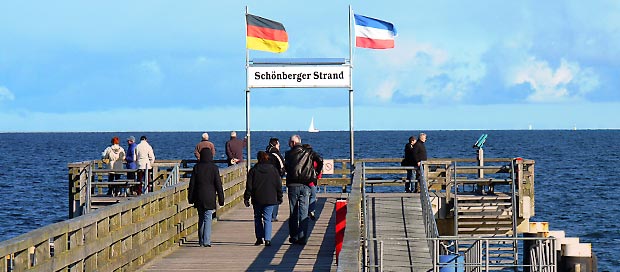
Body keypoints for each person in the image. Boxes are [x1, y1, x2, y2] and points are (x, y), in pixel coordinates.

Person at [284, 135, 323, 245]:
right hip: (306, 184)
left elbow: (286, 167)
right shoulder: (309, 152)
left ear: (293, 142)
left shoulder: (288, 154)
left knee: (293, 212)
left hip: (292, 185)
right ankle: (303, 237)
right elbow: (320, 160)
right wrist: (315, 173)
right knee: (304, 212)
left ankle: (294, 236)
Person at [243, 151, 283, 247]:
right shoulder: (273, 170)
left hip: (257, 198)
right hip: (270, 198)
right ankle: (268, 239)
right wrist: (280, 196)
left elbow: (249, 186)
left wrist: (246, 197)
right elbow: (278, 185)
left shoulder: (253, 170)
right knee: (267, 218)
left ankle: (259, 238)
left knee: (257, 218)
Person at [188, 148, 225, 247]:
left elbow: (192, 184)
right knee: (208, 218)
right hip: (210, 196)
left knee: (201, 218)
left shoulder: (196, 167)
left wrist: (190, 198)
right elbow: (218, 185)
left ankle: (201, 240)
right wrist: (221, 199)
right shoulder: (214, 168)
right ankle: (206, 241)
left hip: (199, 196)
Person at [266, 137, 285, 221]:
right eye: (278, 144)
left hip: (266, 178)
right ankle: (273, 215)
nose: (279, 145)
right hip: (276, 178)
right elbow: (282, 166)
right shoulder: (276, 154)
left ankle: (267, 214)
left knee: (267, 195)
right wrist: (282, 175)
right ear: (275, 144)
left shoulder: (265, 154)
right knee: (276, 197)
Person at [302, 144, 322, 221]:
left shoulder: (302, 158)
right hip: (313, 180)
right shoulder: (314, 158)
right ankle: (311, 211)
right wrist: (317, 175)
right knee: (313, 196)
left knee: (305, 196)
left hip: (304, 180)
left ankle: (305, 211)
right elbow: (319, 165)